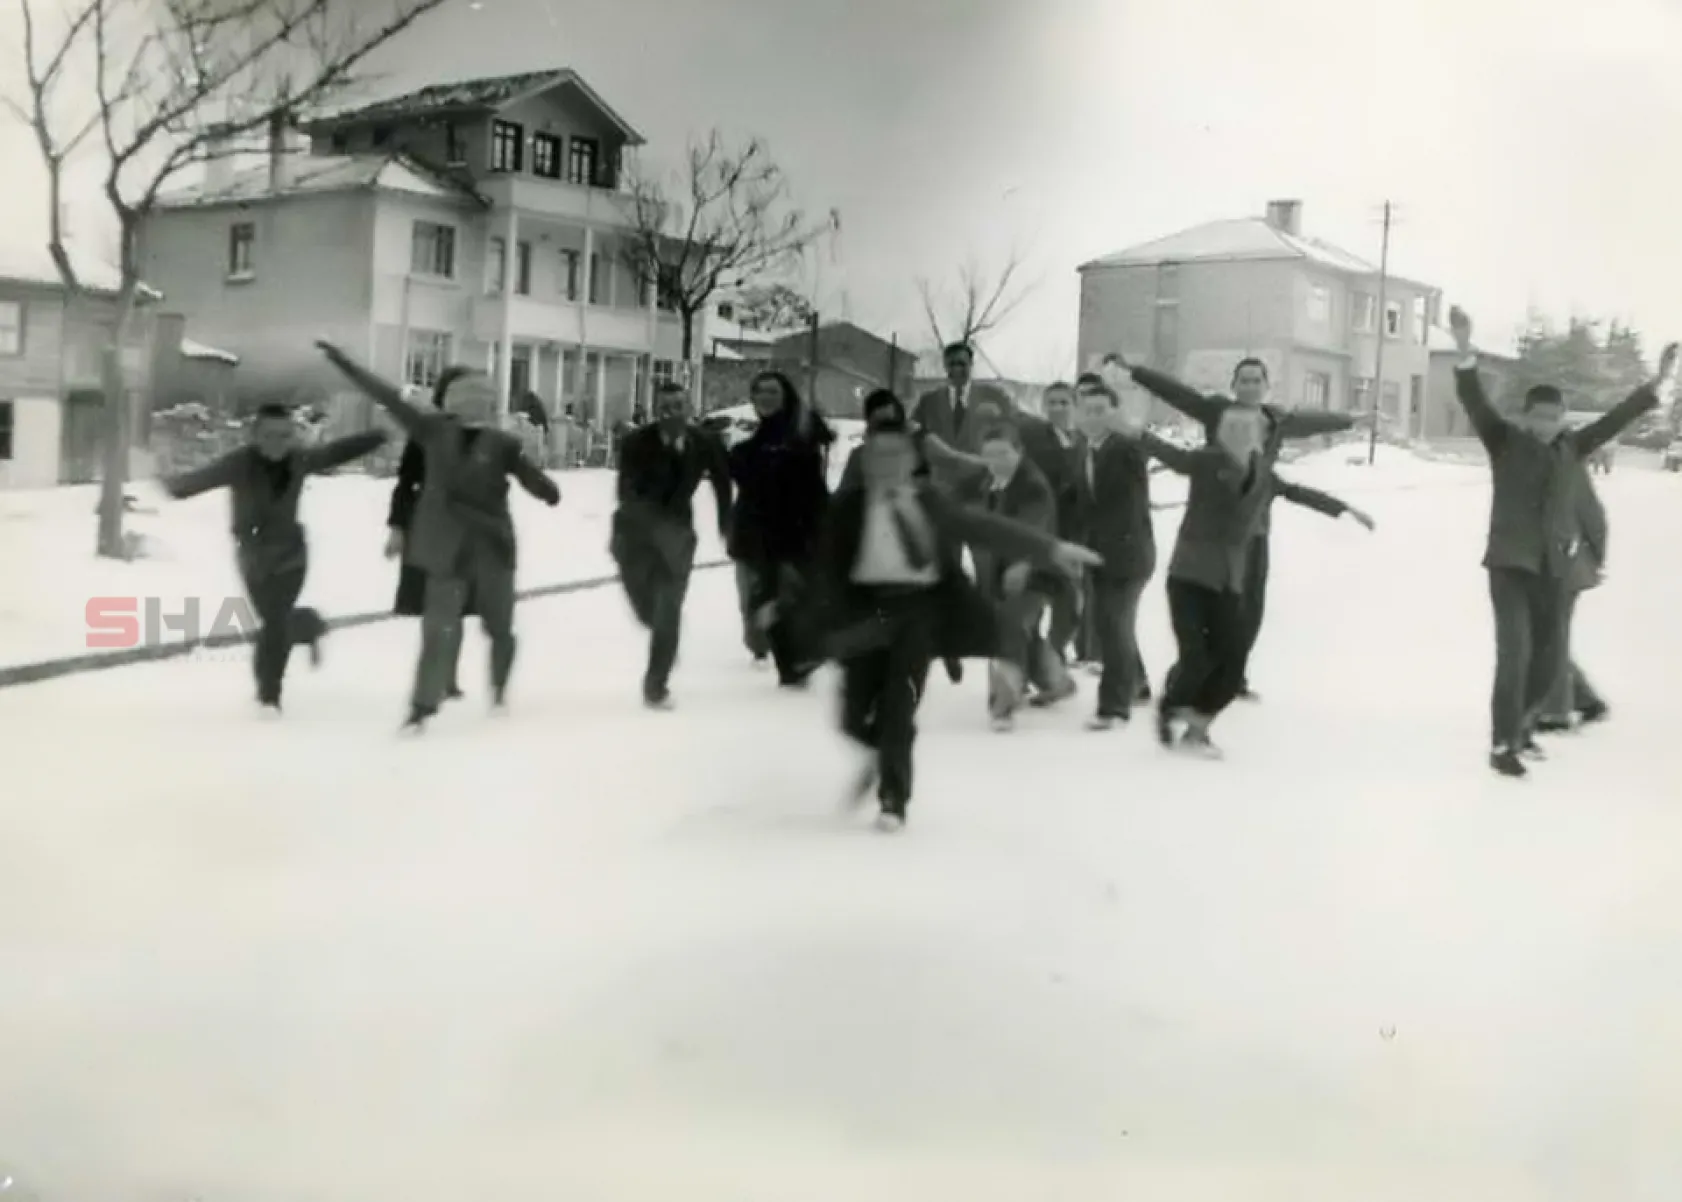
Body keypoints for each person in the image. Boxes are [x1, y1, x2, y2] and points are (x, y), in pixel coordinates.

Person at [818, 408, 1102, 830]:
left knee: (900, 705)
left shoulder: (929, 501)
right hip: (867, 613)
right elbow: (821, 568)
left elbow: (981, 525)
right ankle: (880, 750)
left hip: (918, 612)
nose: (889, 464)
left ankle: (893, 799)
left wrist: (1049, 549)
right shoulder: (848, 507)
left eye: (898, 456)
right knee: (852, 717)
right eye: (880, 456)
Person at [1447, 307, 1672, 776]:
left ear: (1563, 418)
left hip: (1555, 568)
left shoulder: (1574, 446)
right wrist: (1465, 348)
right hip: (1510, 566)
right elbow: (1474, 400)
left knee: (1550, 665)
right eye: (1539, 416)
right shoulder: (1504, 441)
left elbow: (1617, 419)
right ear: (1526, 416)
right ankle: (1503, 743)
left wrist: (1659, 381)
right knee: (1515, 655)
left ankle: (1524, 727)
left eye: (1554, 416)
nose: (1546, 423)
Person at [316, 342, 562, 730]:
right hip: (445, 549)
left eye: (481, 402)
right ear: (454, 404)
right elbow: (387, 396)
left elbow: (532, 477)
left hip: (491, 549)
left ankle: (498, 689)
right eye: (469, 402)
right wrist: (344, 362)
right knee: (438, 628)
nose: (475, 410)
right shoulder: (431, 431)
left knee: (499, 626)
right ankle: (423, 704)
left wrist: (547, 490)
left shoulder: (502, 444)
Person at [1105, 351, 1356, 701]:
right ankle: (1191, 672)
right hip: (1215, 531)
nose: (1250, 386)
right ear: (1234, 385)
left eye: (1257, 380)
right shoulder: (1217, 412)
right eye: (1244, 380)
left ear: (1266, 387)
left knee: (1250, 611)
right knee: (1210, 607)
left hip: (1256, 529)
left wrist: (1351, 420)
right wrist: (1135, 371)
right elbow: (1178, 394)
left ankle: (1231, 675)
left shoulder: (1277, 420)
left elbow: (1314, 421)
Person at [1138, 406, 1372, 757]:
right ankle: (1171, 706)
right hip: (1189, 574)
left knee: (1232, 664)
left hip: (1229, 579)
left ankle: (1197, 728)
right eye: (1232, 429)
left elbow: (1297, 493)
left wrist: (1344, 509)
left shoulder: (1264, 476)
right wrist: (1128, 429)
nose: (1240, 435)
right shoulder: (1205, 463)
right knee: (1197, 658)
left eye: (1249, 430)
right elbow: (1172, 456)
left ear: (1261, 438)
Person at [160, 400, 387, 711]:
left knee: (275, 622)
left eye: (284, 435)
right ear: (255, 435)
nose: (277, 443)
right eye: (269, 435)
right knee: (273, 621)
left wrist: (378, 436)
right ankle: (308, 625)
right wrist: (171, 486)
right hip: (253, 557)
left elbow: (335, 452)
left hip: (291, 555)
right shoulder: (239, 464)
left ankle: (269, 694)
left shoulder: (299, 459)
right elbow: (202, 479)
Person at [612, 382, 733, 709]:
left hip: (678, 536)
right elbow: (626, 491)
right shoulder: (636, 443)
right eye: (665, 407)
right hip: (635, 536)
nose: (672, 413)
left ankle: (656, 684)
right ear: (655, 409)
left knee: (668, 608)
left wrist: (726, 523)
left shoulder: (704, 442)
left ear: (688, 408)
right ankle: (665, 634)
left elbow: (722, 483)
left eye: (678, 406)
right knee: (645, 610)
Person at [727, 370, 833, 686]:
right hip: (754, 533)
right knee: (759, 605)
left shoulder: (798, 437)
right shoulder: (759, 440)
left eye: (772, 391)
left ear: (785, 395)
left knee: (780, 599)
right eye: (759, 392)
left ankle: (797, 660)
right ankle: (792, 660)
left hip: (792, 533)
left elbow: (808, 488)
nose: (765, 398)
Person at [964, 422, 1071, 729]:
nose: (996, 460)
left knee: (1007, 626)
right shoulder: (986, 481)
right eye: (989, 455)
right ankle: (1057, 682)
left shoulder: (1032, 486)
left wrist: (1022, 564)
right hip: (998, 572)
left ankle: (1002, 705)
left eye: (1003, 453)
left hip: (1034, 573)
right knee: (1023, 631)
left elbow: (1030, 529)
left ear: (1020, 451)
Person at [386, 366, 478, 703]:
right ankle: (436, 674)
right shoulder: (425, 433)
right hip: (427, 527)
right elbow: (405, 483)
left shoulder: (481, 435)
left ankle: (448, 675)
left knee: (457, 606)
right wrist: (397, 528)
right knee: (437, 606)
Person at [1070, 379, 1158, 729]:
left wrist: (1131, 430)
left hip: (1129, 556)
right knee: (1113, 625)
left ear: (1114, 414)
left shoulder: (1124, 449)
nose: (1093, 417)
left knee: (1114, 627)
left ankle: (1113, 708)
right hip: (1099, 555)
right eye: (1087, 411)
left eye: (1101, 411)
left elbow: (1140, 453)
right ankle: (1136, 685)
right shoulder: (1085, 451)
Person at [1536, 456, 1610, 732]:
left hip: (1563, 565)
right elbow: (1594, 517)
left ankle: (1555, 711)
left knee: (1549, 637)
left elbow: (1593, 516)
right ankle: (1584, 699)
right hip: (1545, 563)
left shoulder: (1564, 464)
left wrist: (1595, 559)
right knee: (1547, 635)